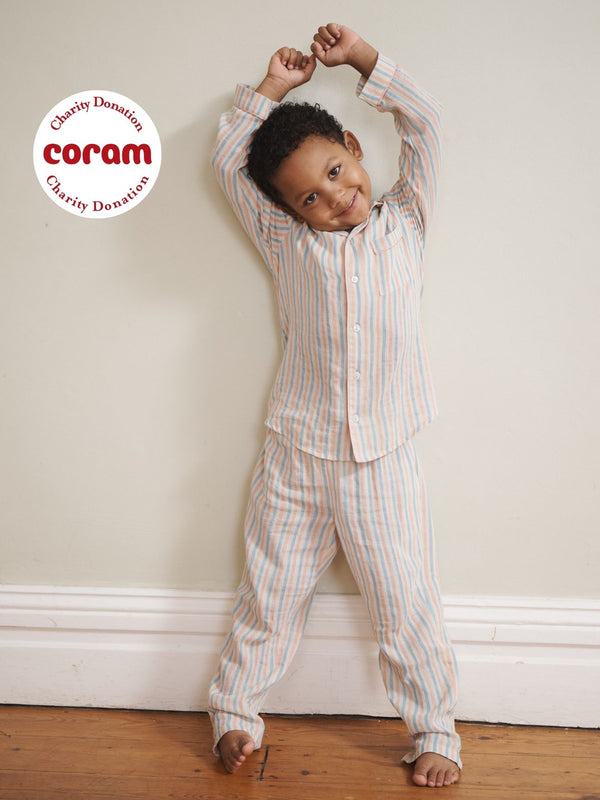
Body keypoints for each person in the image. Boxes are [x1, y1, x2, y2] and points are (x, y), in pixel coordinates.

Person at [208, 22, 462, 789]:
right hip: (297, 452)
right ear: (292, 210)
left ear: (354, 147)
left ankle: (434, 725)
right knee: (269, 593)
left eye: (337, 171)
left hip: (382, 455)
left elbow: (428, 124)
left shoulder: (406, 224)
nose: (334, 198)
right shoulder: (290, 243)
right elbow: (228, 163)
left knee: (405, 597)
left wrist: (360, 60)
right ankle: (235, 715)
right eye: (310, 197)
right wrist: (269, 90)